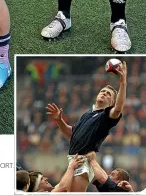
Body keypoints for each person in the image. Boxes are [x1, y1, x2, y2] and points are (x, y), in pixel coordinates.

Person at [45, 61, 127, 192]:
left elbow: (117, 109)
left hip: (83, 161)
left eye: (108, 94)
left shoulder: (105, 117)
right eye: (103, 91)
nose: (104, 93)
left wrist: (123, 83)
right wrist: (59, 120)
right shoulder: (87, 114)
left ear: (112, 102)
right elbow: (72, 134)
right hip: (74, 159)